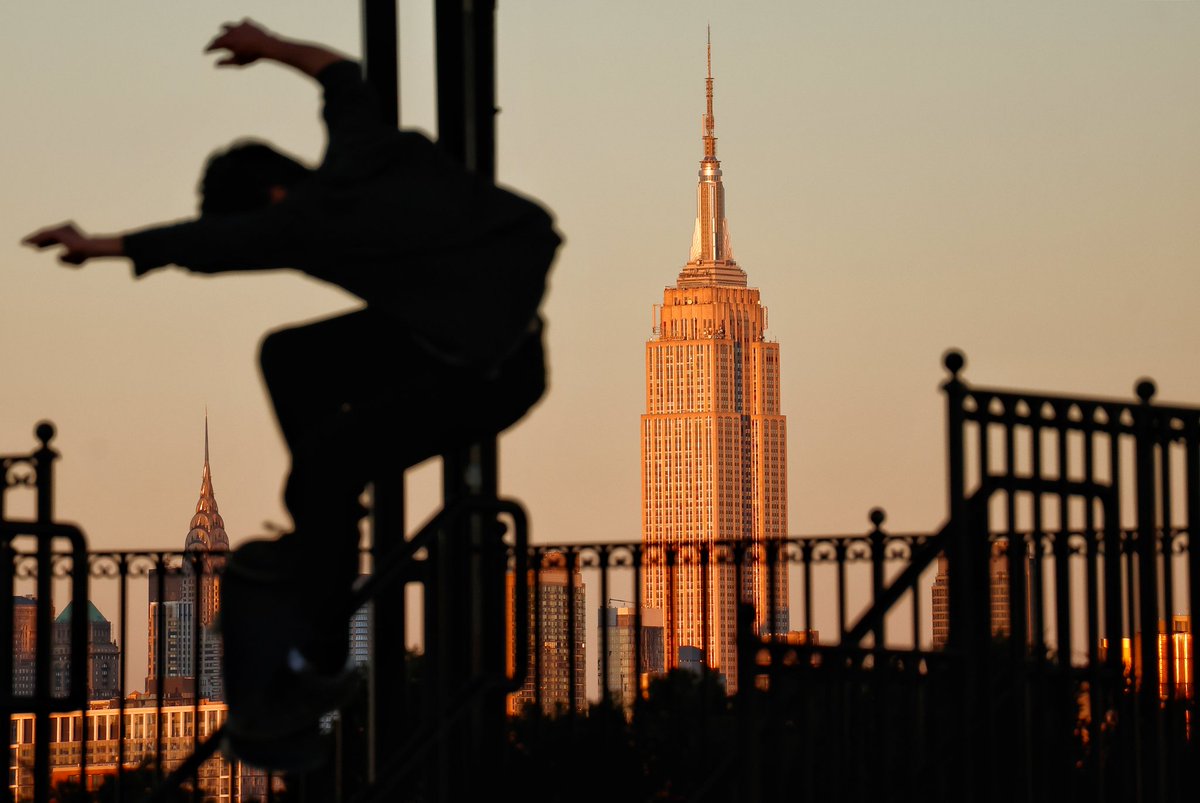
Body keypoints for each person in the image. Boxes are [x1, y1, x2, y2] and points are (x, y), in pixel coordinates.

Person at [23, 19, 561, 770]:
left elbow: (208, 245)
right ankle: (327, 515)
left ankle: (319, 650)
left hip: (484, 374)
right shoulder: (358, 150)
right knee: (292, 362)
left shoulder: (309, 219)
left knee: (328, 454)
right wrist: (266, 44)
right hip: (479, 340)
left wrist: (99, 245)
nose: (271, 232)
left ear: (272, 194)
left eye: (266, 217)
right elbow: (342, 73)